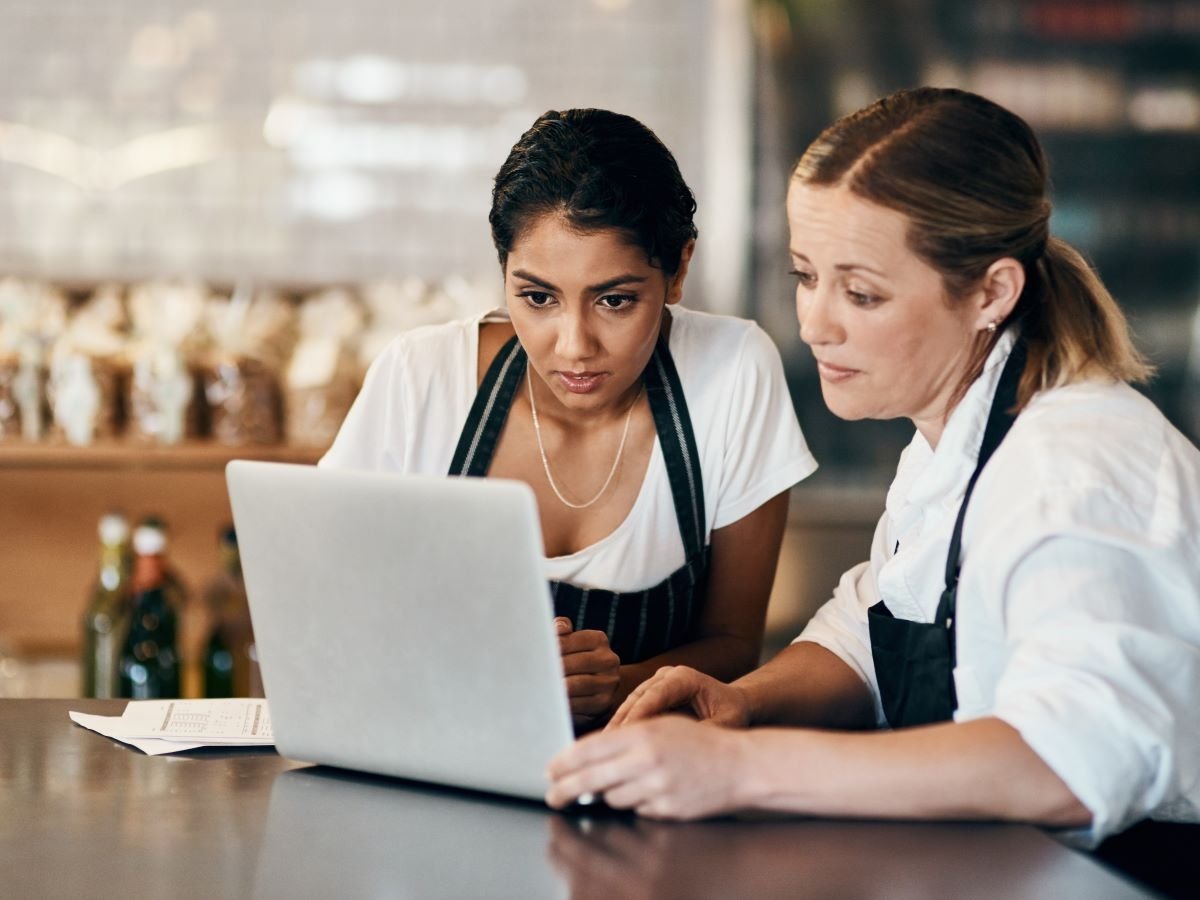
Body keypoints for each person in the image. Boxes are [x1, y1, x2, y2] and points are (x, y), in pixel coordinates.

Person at [545, 88, 1200, 895]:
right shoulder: (953, 437)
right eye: (805, 276)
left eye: (861, 293)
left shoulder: (1080, 465)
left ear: (991, 292)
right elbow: (876, 622)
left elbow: (1067, 765)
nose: (815, 323)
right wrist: (740, 703)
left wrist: (742, 769)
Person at [321, 108, 817, 728]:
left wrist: (615, 688)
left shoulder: (733, 370)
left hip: (647, 780)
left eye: (615, 300)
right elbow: (331, 615)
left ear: (678, 270)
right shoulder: (420, 380)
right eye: (537, 298)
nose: (575, 345)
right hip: (430, 762)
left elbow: (734, 642)